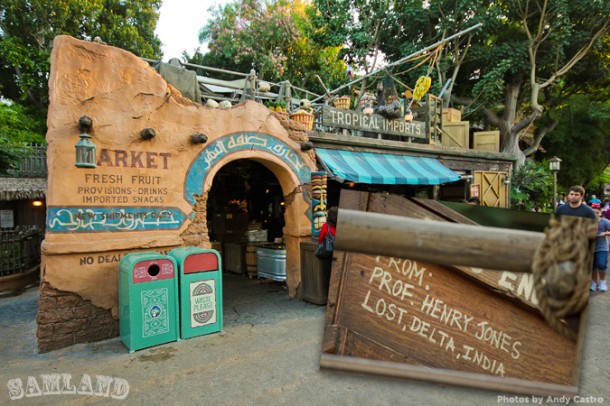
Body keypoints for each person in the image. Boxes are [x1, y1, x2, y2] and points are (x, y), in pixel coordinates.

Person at [591, 203, 610, 292]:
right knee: (592, 266)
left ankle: (602, 281)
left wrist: (606, 233)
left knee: (601, 264)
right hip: (590, 247)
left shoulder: (605, 221)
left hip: (602, 247)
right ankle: (594, 283)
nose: (595, 214)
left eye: (597, 212)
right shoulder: (587, 221)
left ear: (600, 213)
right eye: (593, 212)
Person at [318, 206, 338, 290]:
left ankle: (328, 297)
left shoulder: (326, 226)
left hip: (327, 253)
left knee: (327, 275)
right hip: (339, 253)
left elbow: (320, 239)